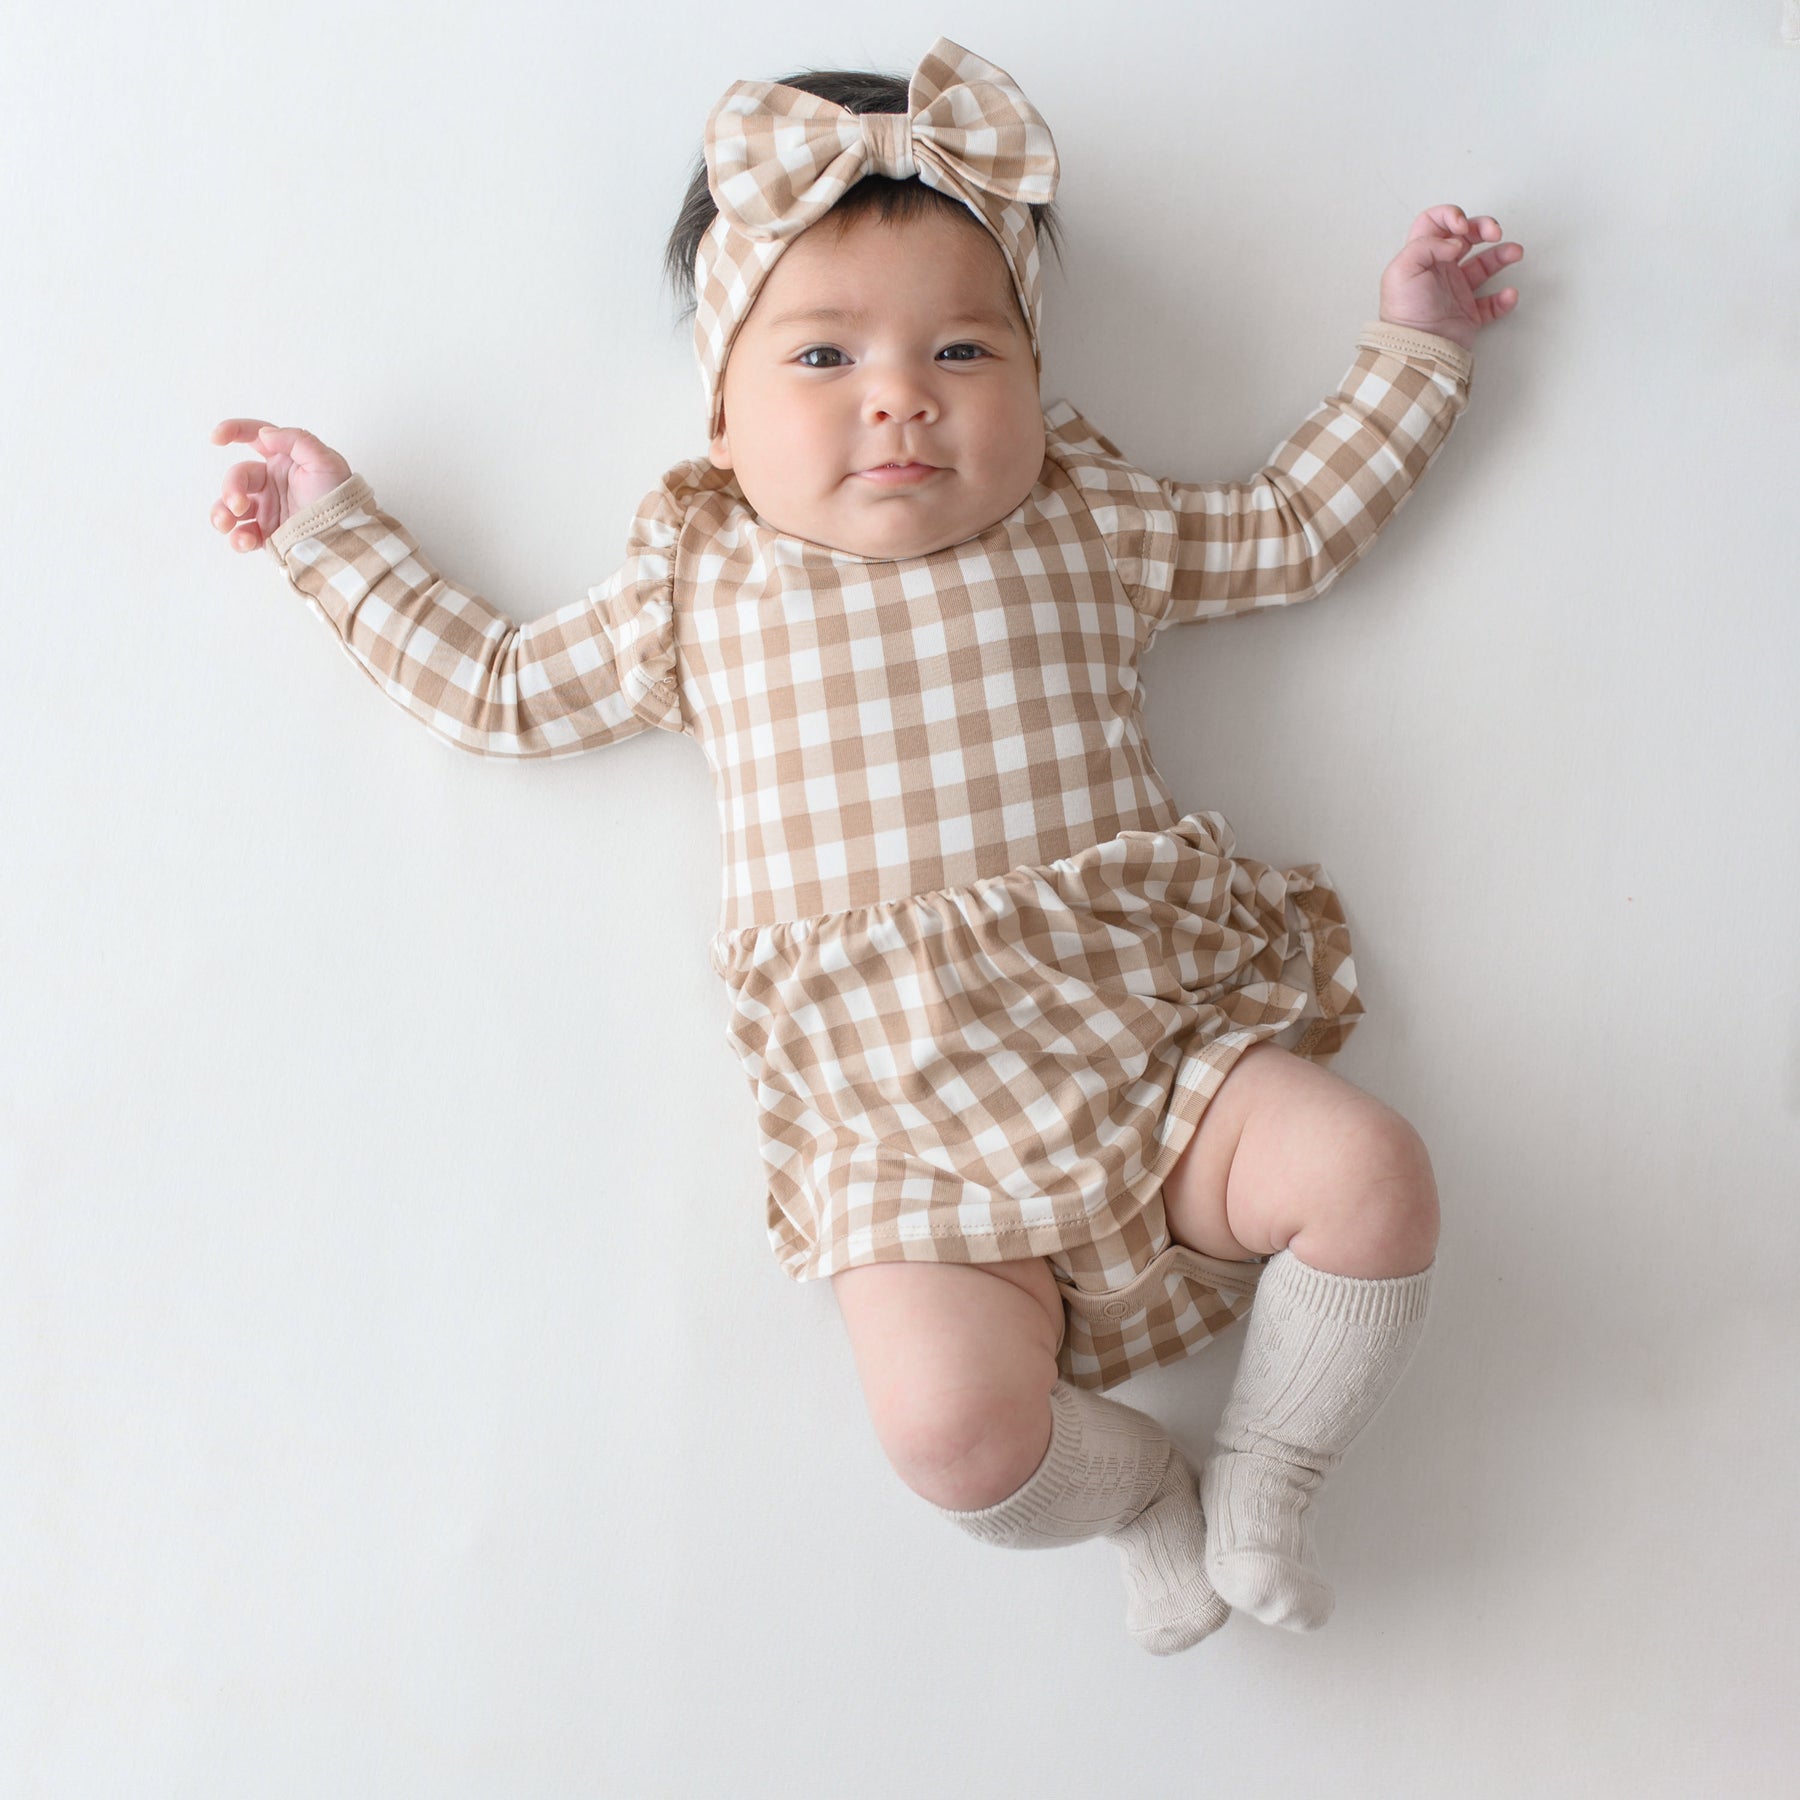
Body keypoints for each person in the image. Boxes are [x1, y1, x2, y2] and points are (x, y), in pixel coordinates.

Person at [208, 37, 1523, 1655]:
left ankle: (1269, 1479)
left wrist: (1417, 344)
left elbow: (1292, 525)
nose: (899, 393)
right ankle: (1143, 1496)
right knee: (952, 1441)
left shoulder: (1087, 522)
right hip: (899, 1126)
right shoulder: (702, 586)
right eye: (824, 356)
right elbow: (499, 688)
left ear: (1033, 376)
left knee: (1372, 1175)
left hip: (1146, 1043)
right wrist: (332, 534)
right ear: (723, 412)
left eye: (963, 347)